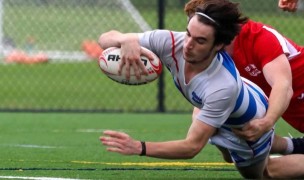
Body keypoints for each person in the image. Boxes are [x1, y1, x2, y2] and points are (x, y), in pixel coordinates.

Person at [99, 0, 304, 178]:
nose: (187, 44)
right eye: (189, 32)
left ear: (219, 43)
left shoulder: (227, 79)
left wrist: (138, 147)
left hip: (259, 111)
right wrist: (126, 40)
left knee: (265, 174)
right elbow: (106, 38)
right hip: (235, 100)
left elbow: (191, 147)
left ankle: (284, 147)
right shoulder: (172, 42)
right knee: (221, 143)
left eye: (201, 40)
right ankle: (292, 145)